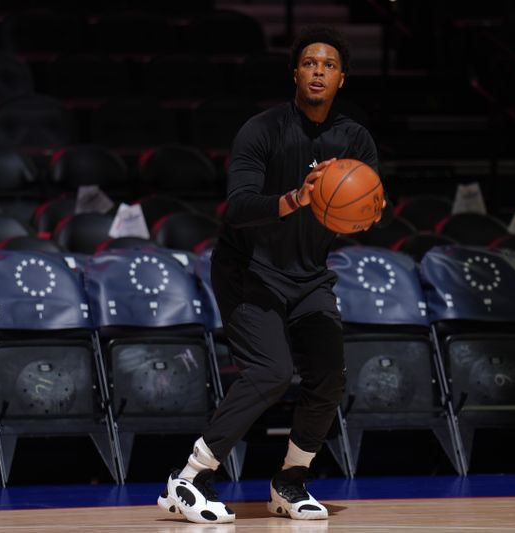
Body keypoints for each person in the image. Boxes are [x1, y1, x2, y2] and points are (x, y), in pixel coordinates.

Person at [157, 25, 391, 524]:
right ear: (296, 73)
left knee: (329, 376)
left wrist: (367, 210)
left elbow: (368, 208)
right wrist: (297, 198)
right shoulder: (261, 130)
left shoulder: (354, 140)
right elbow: (238, 207)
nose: (318, 71)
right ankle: (190, 477)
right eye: (310, 63)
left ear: (341, 79)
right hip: (248, 270)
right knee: (270, 372)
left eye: (328, 65)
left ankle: (290, 481)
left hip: (308, 275)